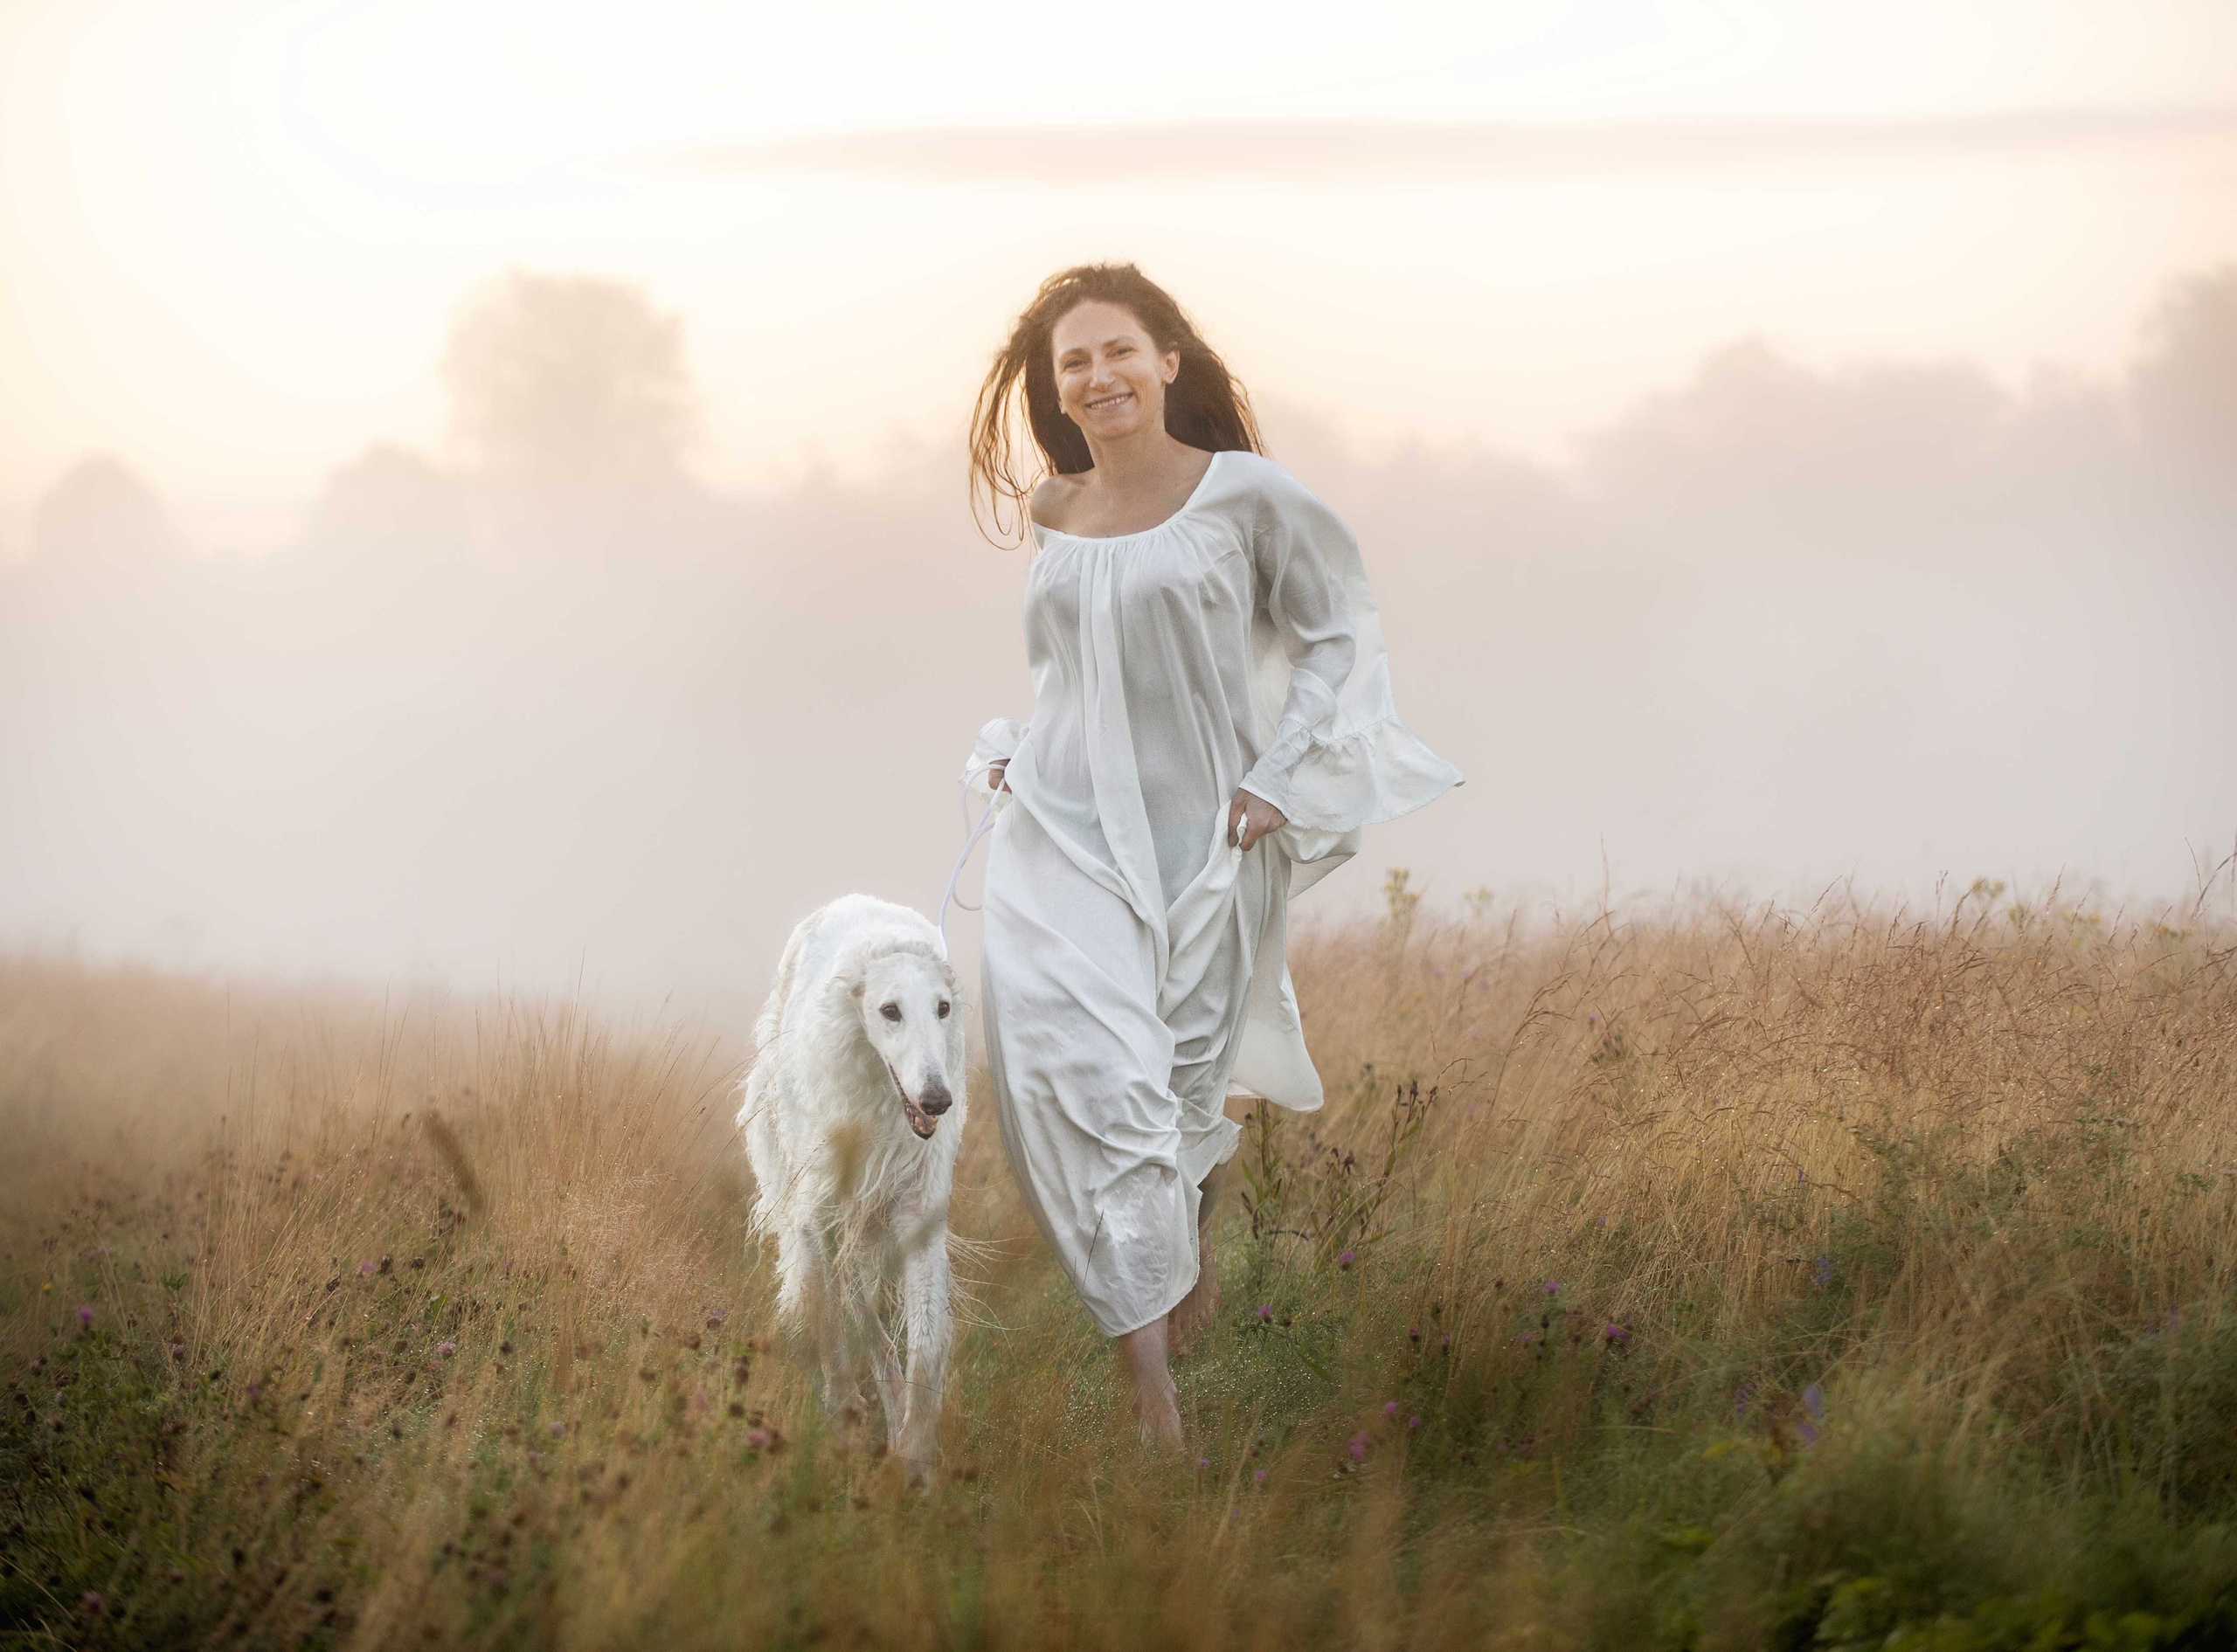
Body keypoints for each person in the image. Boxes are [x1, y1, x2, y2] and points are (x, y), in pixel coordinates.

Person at [963, 263, 1461, 1447]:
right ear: (1056, 388)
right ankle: (1154, 1402)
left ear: (1168, 360)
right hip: (1059, 835)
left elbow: (1339, 634)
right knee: (1088, 1083)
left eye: (1118, 350)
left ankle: (1178, 1260)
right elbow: (1069, 684)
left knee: (1177, 1094)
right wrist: (1010, 746)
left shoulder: (1245, 498)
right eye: (1073, 362)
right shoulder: (1055, 511)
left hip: (1199, 844)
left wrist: (1281, 774)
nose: (1098, 376)